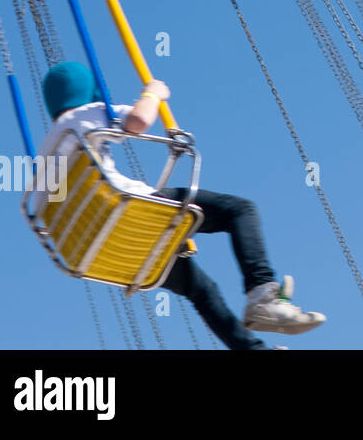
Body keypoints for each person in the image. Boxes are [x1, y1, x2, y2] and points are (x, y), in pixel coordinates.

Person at [34, 61, 326, 350]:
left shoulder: (43, 162)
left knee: (202, 291)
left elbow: (41, 217)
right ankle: (263, 295)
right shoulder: (85, 114)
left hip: (110, 253)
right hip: (132, 211)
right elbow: (138, 122)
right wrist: (153, 93)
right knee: (239, 210)